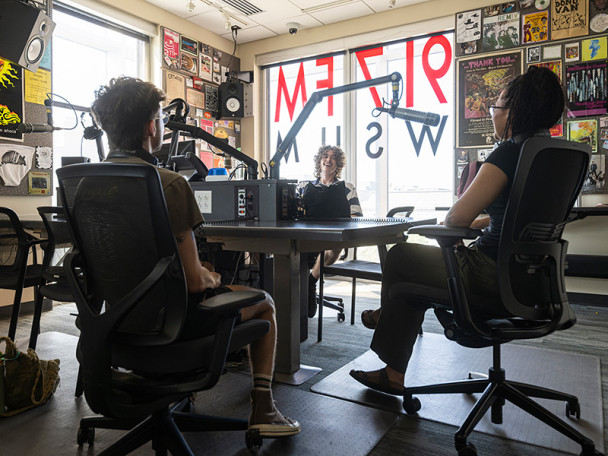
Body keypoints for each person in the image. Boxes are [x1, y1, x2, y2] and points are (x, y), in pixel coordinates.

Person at [91, 76, 300, 437]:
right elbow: (192, 281)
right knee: (264, 301)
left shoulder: (85, 184)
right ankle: (263, 408)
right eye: (159, 117)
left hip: (113, 326)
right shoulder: (169, 183)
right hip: (170, 327)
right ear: (150, 126)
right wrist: (212, 278)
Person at [350, 66, 565, 395]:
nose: (493, 115)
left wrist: (455, 221)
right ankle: (390, 360)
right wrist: (483, 223)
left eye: (496, 108)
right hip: (537, 282)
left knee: (402, 256)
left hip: (492, 276)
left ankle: (386, 322)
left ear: (513, 113)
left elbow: (454, 221)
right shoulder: (555, 156)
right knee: (407, 287)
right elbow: (516, 221)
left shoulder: (508, 153)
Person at [296, 145, 363, 318]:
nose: (328, 160)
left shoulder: (347, 187)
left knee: (334, 247)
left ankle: (310, 282)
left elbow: (356, 214)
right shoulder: (303, 186)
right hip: (305, 236)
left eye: (333, 158)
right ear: (319, 161)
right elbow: (294, 213)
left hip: (333, 238)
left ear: (338, 164)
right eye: (325, 156)